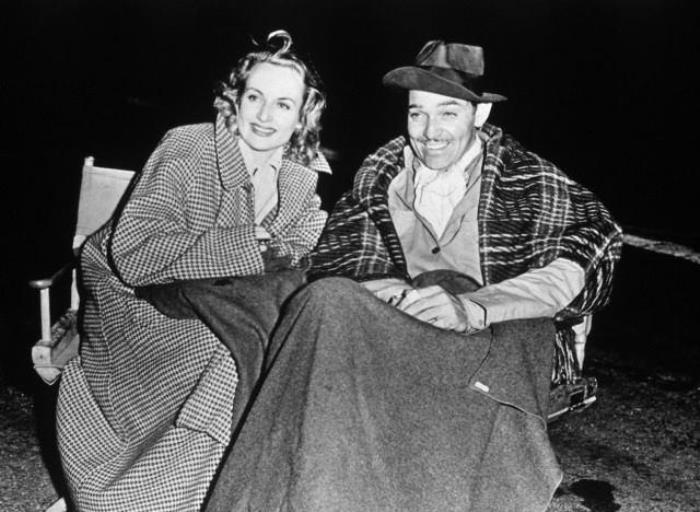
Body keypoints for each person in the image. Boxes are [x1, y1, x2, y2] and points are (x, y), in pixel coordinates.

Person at [203, 40, 622, 512]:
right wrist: (395, 293)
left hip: (485, 340)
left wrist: (474, 307)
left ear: (480, 114)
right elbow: (342, 260)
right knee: (316, 302)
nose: (429, 131)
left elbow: (590, 254)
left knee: (326, 320)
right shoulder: (381, 176)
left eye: (447, 113)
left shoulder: (527, 179)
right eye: (416, 113)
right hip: (403, 328)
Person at [56, 30, 330, 512]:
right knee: (234, 356)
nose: (265, 116)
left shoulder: (299, 178)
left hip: (212, 306)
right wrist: (250, 247)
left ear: (302, 116)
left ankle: (217, 493)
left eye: (283, 105)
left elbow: (303, 246)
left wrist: (271, 252)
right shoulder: (188, 146)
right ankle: (142, 499)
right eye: (255, 97)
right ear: (235, 99)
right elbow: (134, 256)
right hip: (132, 307)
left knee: (277, 349)